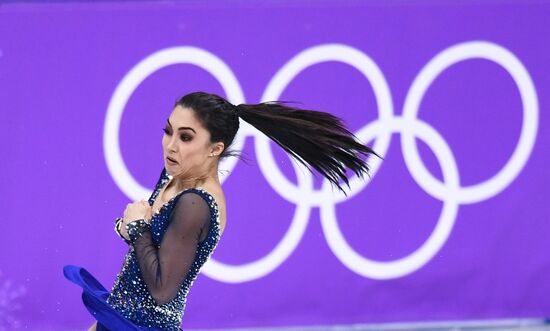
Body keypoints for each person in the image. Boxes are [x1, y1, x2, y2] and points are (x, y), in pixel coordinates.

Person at [63, 91, 378, 330]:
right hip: (116, 320)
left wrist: (136, 229)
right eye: (168, 130)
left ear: (215, 149)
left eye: (186, 137)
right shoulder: (174, 174)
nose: (170, 145)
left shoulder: (196, 204)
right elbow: (153, 249)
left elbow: (161, 290)